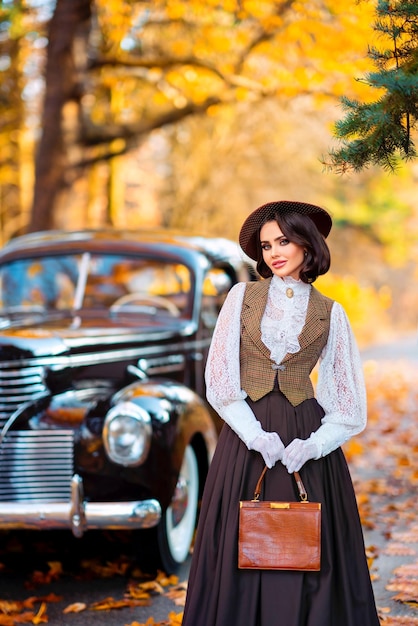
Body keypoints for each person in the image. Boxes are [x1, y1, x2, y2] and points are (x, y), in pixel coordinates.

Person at [182, 201, 380, 626]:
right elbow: (218, 379)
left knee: (307, 546)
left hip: (303, 436)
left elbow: (347, 404)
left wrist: (312, 447)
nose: (273, 252)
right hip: (245, 436)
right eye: (267, 245)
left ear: (307, 245)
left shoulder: (332, 312)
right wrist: (254, 435)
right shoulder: (242, 297)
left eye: (283, 241)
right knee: (242, 540)